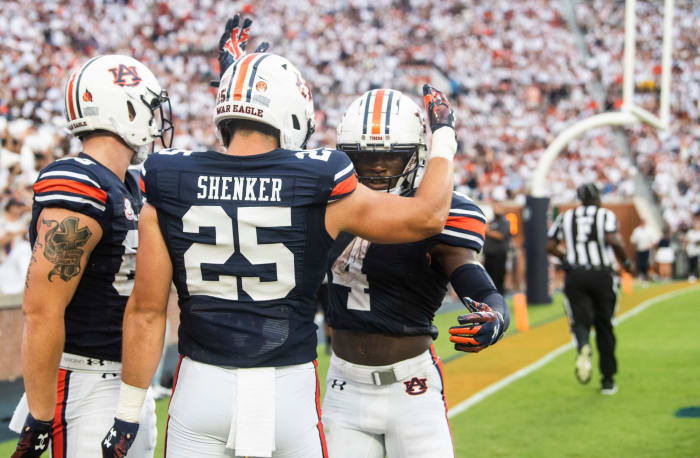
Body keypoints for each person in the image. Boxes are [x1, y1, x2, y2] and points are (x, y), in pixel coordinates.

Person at [100, 21, 457, 458]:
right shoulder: (319, 180)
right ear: (291, 113)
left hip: (201, 386)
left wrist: (128, 412)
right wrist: (443, 136)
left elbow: (146, 312)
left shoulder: (170, 177)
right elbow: (429, 216)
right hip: (286, 388)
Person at [321, 88, 510, 457]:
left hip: (411, 388)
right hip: (342, 384)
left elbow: (474, 281)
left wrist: (496, 315)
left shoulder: (439, 214)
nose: (376, 167)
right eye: (364, 156)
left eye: (390, 157)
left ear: (418, 155)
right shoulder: (326, 202)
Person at [10, 54, 172, 457]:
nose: (155, 122)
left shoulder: (131, 185)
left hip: (127, 382)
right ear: (127, 108)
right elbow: (41, 309)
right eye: (149, 108)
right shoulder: (78, 182)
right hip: (86, 382)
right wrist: (41, 415)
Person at [547, 183, 631, 395]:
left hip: (576, 275)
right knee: (605, 326)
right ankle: (608, 380)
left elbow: (549, 245)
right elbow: (613, 239)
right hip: (601, 275)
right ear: (597, 198)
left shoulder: (566, 216)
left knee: (580, 321)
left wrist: (565, 257)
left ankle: (583, 344)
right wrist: (626, 262)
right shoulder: (604, 215)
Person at [483, 202, 511, 295]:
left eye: (497, 207)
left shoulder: (504, 222)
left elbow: (501, 236)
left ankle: (500, 297)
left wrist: (488, 231)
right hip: (489, 254)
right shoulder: (491, 221)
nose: (495, 209)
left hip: (499, 254)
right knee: (488, 278)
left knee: (498, 277)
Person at [685, 217, 700, 282]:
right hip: (691, 250)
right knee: (691, 263)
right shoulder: (690, 232)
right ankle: (691, 275)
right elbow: (686, 240)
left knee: (696, 263)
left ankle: (697, 275)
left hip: (697, 251)